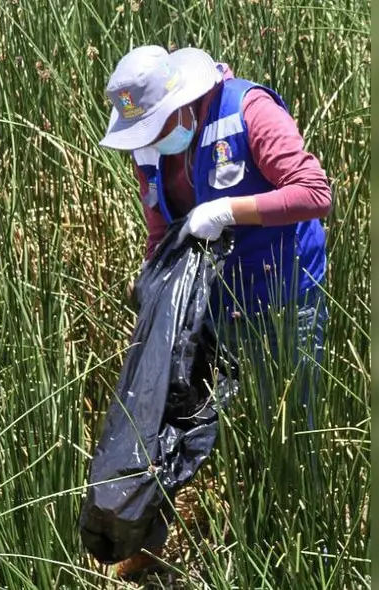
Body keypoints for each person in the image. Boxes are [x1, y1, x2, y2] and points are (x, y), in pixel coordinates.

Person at [98, 45, 332, 577]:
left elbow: (315, 193)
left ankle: (292, 542)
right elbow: (160, 228)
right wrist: (151, 285)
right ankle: (146, 546)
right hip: (209, 302)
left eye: (156, 127)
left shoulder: (249, 110)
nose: (150, 142)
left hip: (281, 294)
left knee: (287, 422)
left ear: (182, 104)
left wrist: (229, 208)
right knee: (171, 417)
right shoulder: (152, 149)